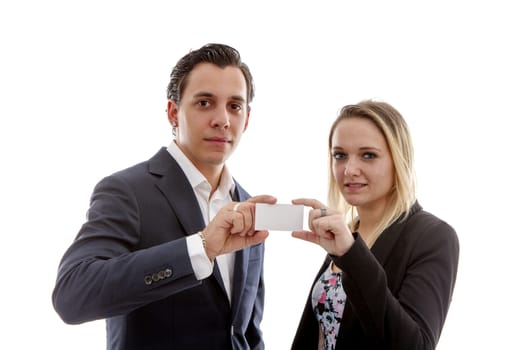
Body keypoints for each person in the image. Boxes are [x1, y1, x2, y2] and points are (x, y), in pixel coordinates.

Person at [52, 43, 276, 350]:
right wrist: (200, 249)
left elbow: (247, 333)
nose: (222, 119)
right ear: (173, 113)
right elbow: (72, 295)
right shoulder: (128, 191)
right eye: (205, 103)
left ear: (246, 120)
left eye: (234, 106)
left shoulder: (246, 203)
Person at [290, 100, 459, 349]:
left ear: (398, 161)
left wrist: (352, 255)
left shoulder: (433, 236)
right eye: (340, 155)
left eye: (368, 155)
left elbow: (416, 345)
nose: (349, 170)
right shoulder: (349, 232)